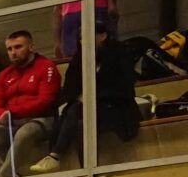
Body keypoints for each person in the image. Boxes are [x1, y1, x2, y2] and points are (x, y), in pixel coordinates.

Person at [0, 28, 62, 177]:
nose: (13, 53)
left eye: (18, 47)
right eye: (9, 49)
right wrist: (2, 115)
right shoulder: (3, 76)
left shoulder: (46, 67)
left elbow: (45, 101)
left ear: (31, 47)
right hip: (10, 123)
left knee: (24, 133)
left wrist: (13, 112)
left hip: (41, 120)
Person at [51, 20, 138, 167]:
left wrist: (93, 97)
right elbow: (69, 89)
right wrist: (80, 97)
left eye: (86, 35)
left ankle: (56, 154)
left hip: (116, 106)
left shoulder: (120, 54)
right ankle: (88, 169)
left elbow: (125, 86)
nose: (82, 41)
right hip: (85, 110)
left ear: (102, 36)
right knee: (80, 119)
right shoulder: (78, 59)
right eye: (80, 37)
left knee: (78, 112)